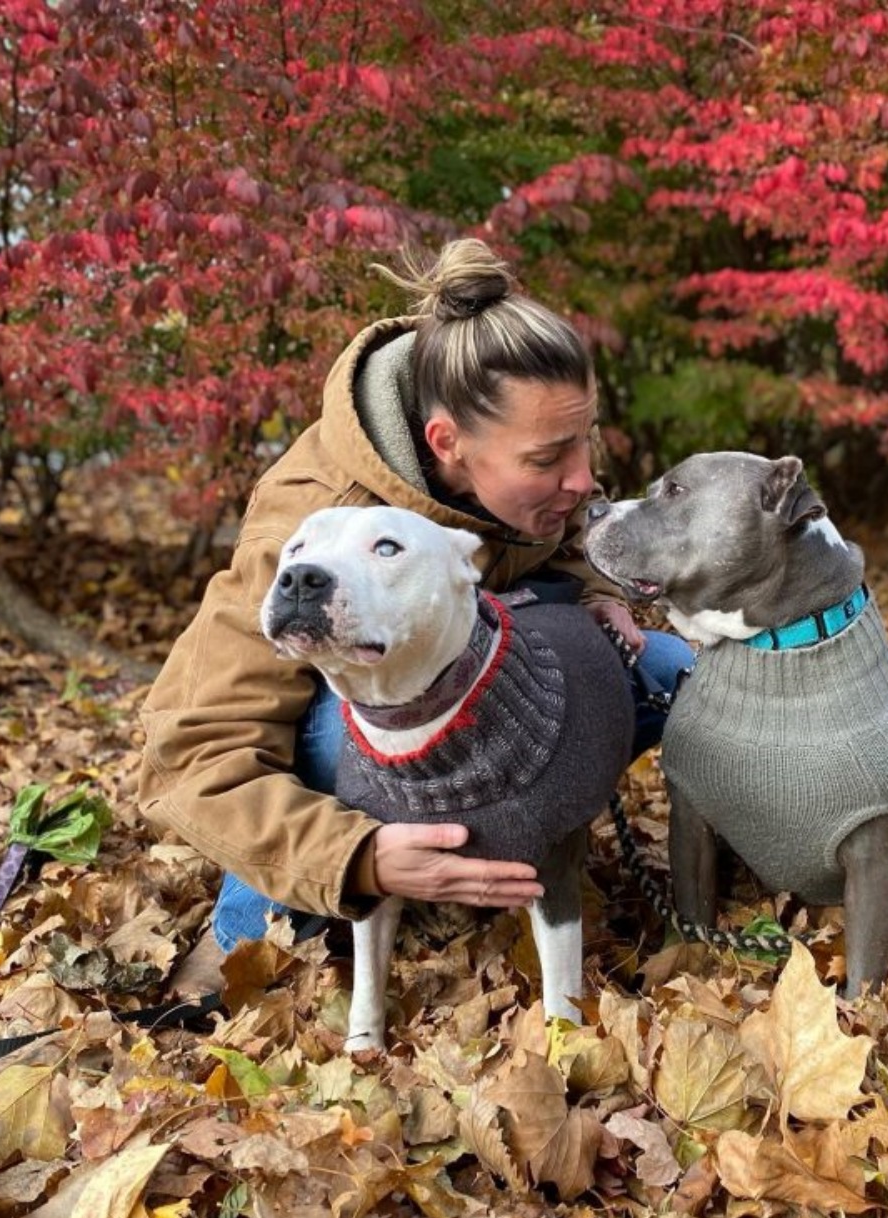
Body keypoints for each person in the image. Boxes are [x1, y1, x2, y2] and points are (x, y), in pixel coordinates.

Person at [138, 238, 693, 955]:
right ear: (447, 442)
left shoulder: (524, 438)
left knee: (669, 671)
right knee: (364, 725)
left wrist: (593, 593)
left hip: (489, 679)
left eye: (584, 441)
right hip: (353, 721)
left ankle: (506, 838)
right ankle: (256, 930)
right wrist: (356, 855)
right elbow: (196, 751)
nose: (584, 479)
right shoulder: (315, 523)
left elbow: (557, 537)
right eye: (550, 459)